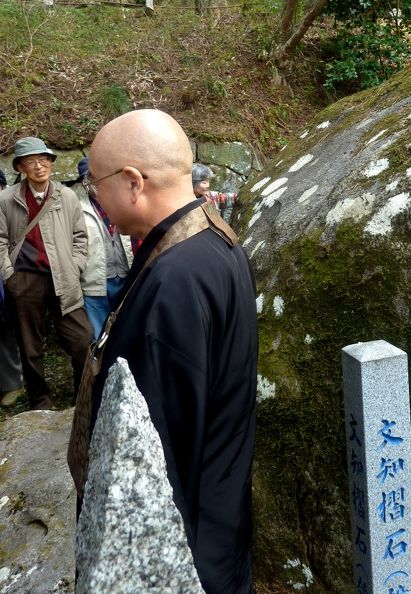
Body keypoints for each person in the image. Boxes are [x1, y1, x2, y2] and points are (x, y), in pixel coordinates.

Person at [81, 110, 257, 594]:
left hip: (186, 543)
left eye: (96, 185)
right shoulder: (213, 238)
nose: (95, 197)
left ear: (133, 181)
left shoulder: (174, 278)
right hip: (221, 511)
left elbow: (156, 450)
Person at [0, 137, 91, 410]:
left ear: (51, 162)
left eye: (44, 160)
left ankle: (82, 396)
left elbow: (80, 237)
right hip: (25, 279)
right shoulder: (6, 199)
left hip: (64, 276)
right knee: (30, 346)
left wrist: (75, 266)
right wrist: (9, 276)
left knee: (82, 340)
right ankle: (41, 401)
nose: (39, 166)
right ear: (21, 167)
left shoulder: (67, 196)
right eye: (31, 162)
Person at [71, 158, 133, 341]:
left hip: (124, 276)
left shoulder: (122, 200)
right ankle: (98, 369)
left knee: (124, 329)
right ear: (83, 182)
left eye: (97, 177)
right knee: (98, 336)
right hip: (93, 280)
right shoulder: (76, 206)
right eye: (89, 178)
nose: (94, 183)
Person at [0, 168, 24, 407]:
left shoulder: (10, 209)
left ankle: (11, 384)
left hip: (7, 282)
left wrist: (9, 276)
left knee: (6, 334)